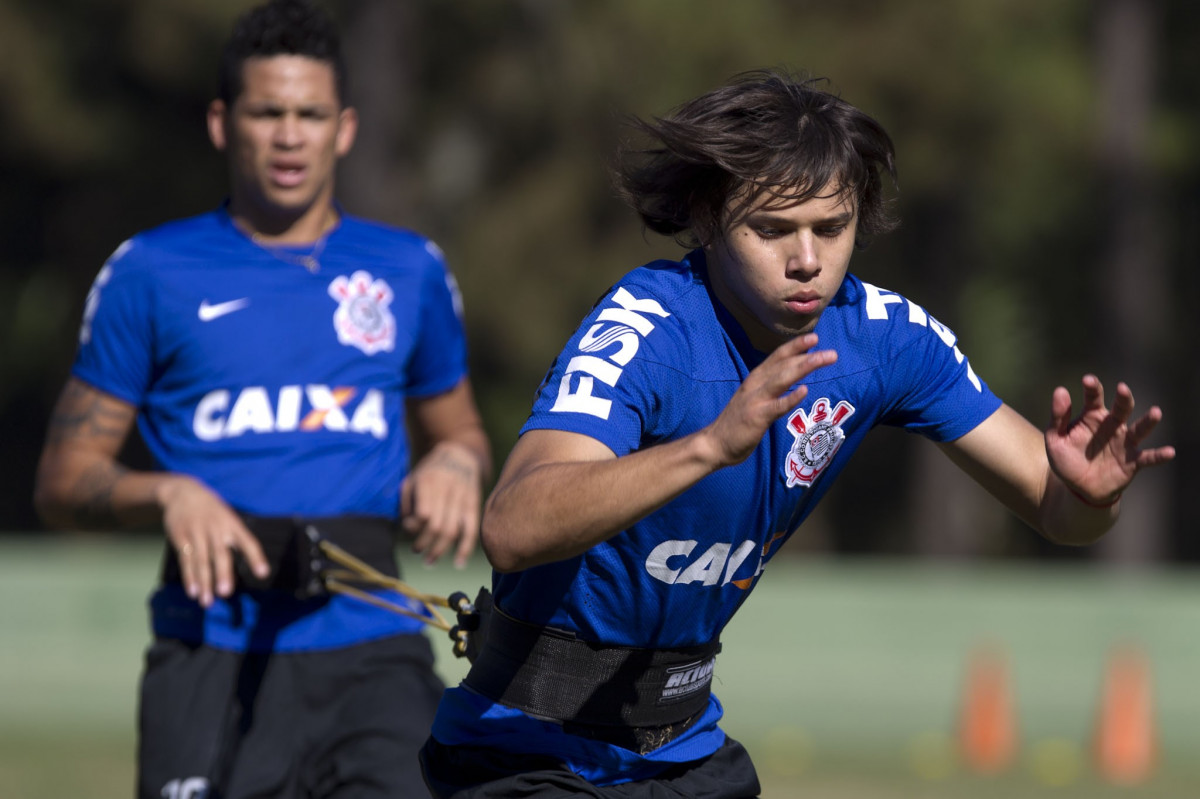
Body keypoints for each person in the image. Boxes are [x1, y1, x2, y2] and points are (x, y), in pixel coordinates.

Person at [417, 69, 1175, 798]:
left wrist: (1090, 497)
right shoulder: (645, 328)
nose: (808, 260)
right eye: (773, 229)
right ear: (711, 218)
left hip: (683, 752)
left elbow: (1056, 511)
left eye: (831, 228)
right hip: (526, 750)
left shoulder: (887, 340)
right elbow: (513, 526)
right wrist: (710, 445)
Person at [33, 1, 492, 797]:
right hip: (209, 646)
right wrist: (166, 492)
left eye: (309, 114)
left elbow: (463, 432)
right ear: (223, 122)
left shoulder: (408, 269)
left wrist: (455, 461)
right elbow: (63, 482)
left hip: (375, 653)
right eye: (267, 112)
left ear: (344, 128)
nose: (289, 136)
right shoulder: (149, 272)